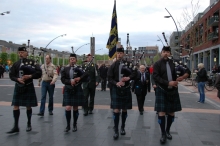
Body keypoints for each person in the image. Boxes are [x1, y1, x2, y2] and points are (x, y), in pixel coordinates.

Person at [153, 46, 190, 144]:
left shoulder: (175, 62)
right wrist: (168, 83)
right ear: (161, 53)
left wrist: (183, 76)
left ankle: (168, 130)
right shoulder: (157, 64)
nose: (166, 53)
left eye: (168, 52)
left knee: (171, 113)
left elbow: (187, 71)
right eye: (164, 52)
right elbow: (156, 77)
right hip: (162, 90)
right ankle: (162, 134)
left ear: (170, 53)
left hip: (173, 91)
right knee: (161, 112)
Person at [7, 46, 42, 134]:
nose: (20, 54)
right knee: (15, 105)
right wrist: (17, 79)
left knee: (28, 105)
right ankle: (16, 126)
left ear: (26, 53)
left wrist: (30, 76)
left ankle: (29, 123)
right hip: (19, 86)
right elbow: (11, 75)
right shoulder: (16, 64)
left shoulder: (32, 62)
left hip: (28, 85)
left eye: (22, 52)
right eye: (19, 52)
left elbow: (39, 73)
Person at [107, 46, 137, 140]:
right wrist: (116, 83)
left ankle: (122, 127)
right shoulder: (113, 65)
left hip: (126, 89)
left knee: (124, 109)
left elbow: (135, 73)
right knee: (116, 110)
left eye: (121, 53)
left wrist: (128, 78)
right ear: (116, 54)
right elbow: (109, 78)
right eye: (118, 53)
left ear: (123, 54)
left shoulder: (128, 64)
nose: (119, 55)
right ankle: (116, 130)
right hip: (117, 89)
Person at [61, 53, 88, 132]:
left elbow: (86, 75)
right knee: (68, 107)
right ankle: (68, 125)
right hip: (68, 89)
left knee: (75, 107)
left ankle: (75, 124)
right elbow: (63, 79)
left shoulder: (79, 68)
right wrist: (70, 81)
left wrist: (79, 78)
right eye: (71, 59)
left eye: (73, 59)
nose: (72, 60)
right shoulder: (65, 69)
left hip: (77, 88)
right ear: (69, 60)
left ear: (76, 60)